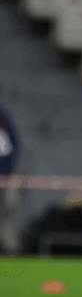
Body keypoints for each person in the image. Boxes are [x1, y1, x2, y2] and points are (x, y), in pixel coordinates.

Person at [0, 81, 20, 254]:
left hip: (4, 181)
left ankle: (11, 252)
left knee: (6, 218)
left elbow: (10, 149)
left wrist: (5, 175)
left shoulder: (3, 119)